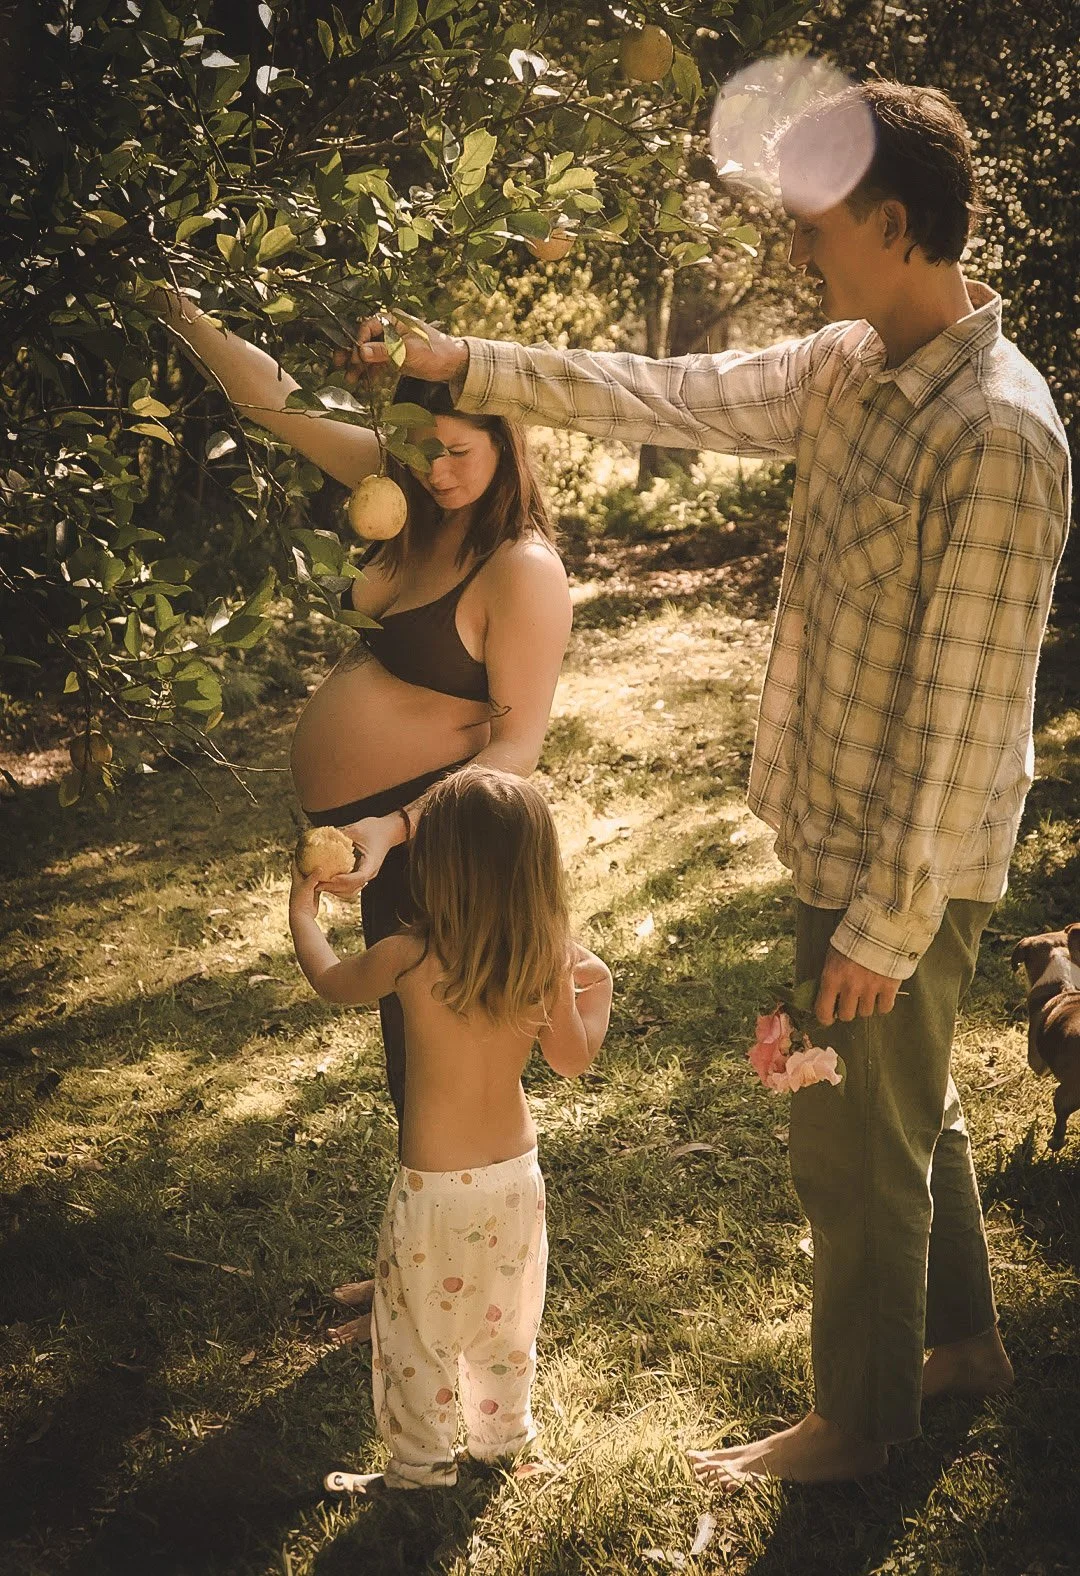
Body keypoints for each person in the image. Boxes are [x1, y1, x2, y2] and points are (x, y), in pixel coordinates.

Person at [347, 81, 1072, 1485]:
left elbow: (968, 719)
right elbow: (666, 392)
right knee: (905, 1103)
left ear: (896, 224)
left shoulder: (996, 432)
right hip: (842, 830)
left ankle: (856, 1426)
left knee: (849, 1144)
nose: (798, 248)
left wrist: (883, 927)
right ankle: (962, 1344)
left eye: (817, 223)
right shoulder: (850, 366)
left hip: (901, 864)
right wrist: (466, 361)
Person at [157, 293, 573, 1336]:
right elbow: (277, 404)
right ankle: (417, 1272)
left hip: (442, 839)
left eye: (460, 452)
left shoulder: (521, 569)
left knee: (438, 1069)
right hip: (377, 835)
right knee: (409, 1065)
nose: (438, 471)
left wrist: (398, 828)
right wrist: (177, 305)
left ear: (506, 442)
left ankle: (450, 1290)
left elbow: (517, 750)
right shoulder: (406, 493)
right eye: (423, 449)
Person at [289, 764, 613, 1491]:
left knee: (417, 1334)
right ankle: (503, 1441)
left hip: (435, 1191)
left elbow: (332, 981)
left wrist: (303, 915)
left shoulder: (410, 955)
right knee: (505, 1324)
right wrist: (598, 991)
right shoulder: (542, 958)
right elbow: (571, 1061)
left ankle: (419, 1468)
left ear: (434, 866)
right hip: (515, 1182)